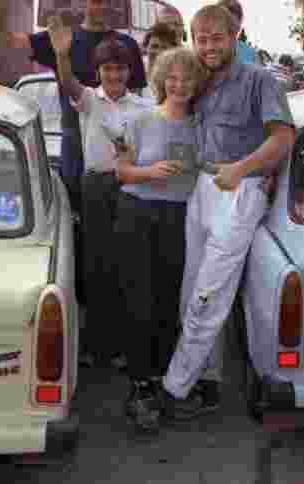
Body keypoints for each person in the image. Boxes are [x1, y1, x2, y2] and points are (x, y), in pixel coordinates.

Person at [158, 3, 295, 420]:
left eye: (217, 38)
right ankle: (208, 380)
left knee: (209, 294)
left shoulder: (259, 81)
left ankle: (175, 389)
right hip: (203, 188)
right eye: (201, 39)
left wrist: (244, 169)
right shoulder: (198, 79)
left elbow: (283, 138)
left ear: (234, 36)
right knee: (191, 291)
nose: (209, 47)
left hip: (238, 191)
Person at [0, 0, 148, 300]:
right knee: (75, 226)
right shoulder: (62, 38)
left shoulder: (125, 46)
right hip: (74, 146)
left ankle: (118, 301)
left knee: (120, 233)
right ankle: (78, 299)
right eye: (97, 0)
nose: (103, 7)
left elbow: (136, 101)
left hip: (117, 151)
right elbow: (8, 41)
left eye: (109, 1)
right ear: (83, 2)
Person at [49, 16, 153, 369]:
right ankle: (96, 347)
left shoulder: (144, 108)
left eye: (120, 68)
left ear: (129, 71)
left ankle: (124, 346)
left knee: (127, 265)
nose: (114, 75)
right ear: (99, 71)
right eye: (108, 68)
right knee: (96, 266)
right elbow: (67, 84)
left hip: (130, 186)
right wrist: (62, 55)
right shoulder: (89, 100)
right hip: (95, 186)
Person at [114, 46, 203, 432]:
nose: (179, 85)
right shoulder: (139, 119)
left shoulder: (202, 125)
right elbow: (122, 172)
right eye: (172, 78)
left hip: (180, 216)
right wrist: (150, 172)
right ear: (161, 81)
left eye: (187, 79)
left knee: (170, 299)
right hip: (137, 213)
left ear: (197, 83)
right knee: (138, 298)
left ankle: (165, 379)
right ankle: (139, 385)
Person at [141, 22, 181, 101]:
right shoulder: (135, 73)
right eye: (154, 46)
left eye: (164, 47)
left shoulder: (180, 80)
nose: (159, 52)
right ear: (145, 47)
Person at [216, 0, 258, 65]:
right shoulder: (205, 52)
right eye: (226, 23)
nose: (230, 29)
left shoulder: (250, 53)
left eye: (234, 24)